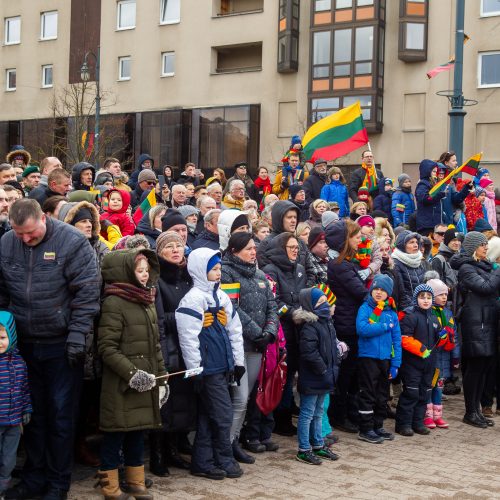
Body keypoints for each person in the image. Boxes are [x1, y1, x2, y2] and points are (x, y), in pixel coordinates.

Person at [0, 199, 99, 500]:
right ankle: (34, 478)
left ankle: (58, 483)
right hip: (23, 345)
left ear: (43, 218)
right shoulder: (7, 242)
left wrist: (77, 336)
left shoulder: (72, 242)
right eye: (20, 234)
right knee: (32, 416)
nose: (26, 239)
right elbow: (3, 290)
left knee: (60, 417)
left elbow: (87, 292)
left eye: (30, 233)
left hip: (60, 343)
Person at [95, 250, 166, 500]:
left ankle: (136, 482)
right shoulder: (114, 302)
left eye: (147, 270)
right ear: (126, 271)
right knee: (115, 434)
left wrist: (162, 376)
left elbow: (155, 344)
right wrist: (132, 373)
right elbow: (106, 347)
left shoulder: (145, 300)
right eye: (139, 271)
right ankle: (110, 485)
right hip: (121, 384)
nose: (145, 276)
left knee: (138, 431)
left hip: (146, 382)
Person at [176, 248, 244, 480]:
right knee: (223, 414)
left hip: (222, 365)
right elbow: (188, 337)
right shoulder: (193, 298)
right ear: (199, 271)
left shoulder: (221, 296)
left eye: (218, 269)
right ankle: (223, 458)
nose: (218, 273)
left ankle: (203, 461)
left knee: (208, 414)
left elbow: (235, 329)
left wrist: (238, 361)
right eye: (213, 269)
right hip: (208, 368)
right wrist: (195, 369)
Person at [221, 232, 278, 463]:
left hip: (257, 346)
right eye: (247, 249)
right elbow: (232, 308)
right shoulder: (226, 272)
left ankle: (233, 441)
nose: (253, 252)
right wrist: (257, 331)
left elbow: (272, 306)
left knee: (246, 398)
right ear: (234, 251)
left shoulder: (260, 275)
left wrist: (270, 331)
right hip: (239, 345)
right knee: (240, 398)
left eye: (254, 248)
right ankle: (225, 444)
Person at [153, 231, 196, 476]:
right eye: (169, 246)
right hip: (167, 346)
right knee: (164, 404)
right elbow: (158, 318)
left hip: (185, 346)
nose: (175, 249)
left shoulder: (187, 277)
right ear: (159, 252)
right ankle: (157, 455)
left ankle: (173, 451)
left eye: (178, 245)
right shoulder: (157, 280)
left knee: (181, 400)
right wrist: (185, 317)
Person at [450, 231, 500, 428]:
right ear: (472, 248)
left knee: (484, 368)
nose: (486, 248)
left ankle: (477, 411)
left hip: (487, 322)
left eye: (486, 245)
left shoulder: (484, 267)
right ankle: (470, 412)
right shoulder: (466, 268)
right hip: (474, 323)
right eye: (482, 245)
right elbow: (486, 287)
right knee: (474, 368)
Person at [262, 232, 307, 435]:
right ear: (282, 248)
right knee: (283, 377)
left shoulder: (299, 269)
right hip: (282, 331)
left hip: (299, 331)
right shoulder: (270, 269)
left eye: (297, 247)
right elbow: (274, 301)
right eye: (291, 247)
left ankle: (287, 415)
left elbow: (303, 294)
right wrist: (292, 313)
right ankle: (280, 419)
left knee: (292, 376)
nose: (295, 251)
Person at [325, 220, 367, 432]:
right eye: (356, 237)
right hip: (346, 322)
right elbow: (360, 291)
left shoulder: (348, 263)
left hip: (351, 320)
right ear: (345, 240)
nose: (360, 240)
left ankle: (351, 412)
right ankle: (339, 415)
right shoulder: (340, 265)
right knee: (346, 372)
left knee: (353, 372)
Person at [293, 288, 340, 464]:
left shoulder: (327, 323)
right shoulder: (309, 327)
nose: (325, 305)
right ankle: (304, 449)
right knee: (307, 413)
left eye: (325, 301)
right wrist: (323, 369)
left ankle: (318, 444)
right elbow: (309, 352)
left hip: (325, 377)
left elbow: (332, 349)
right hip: (314, 377)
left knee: (319, 412)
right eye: (319, 303)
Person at [356, 274, 401, 443]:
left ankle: (378, 425)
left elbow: (397, 340)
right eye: (376, 289)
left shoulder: (391, 313)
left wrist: (395, 363)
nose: (379, 293)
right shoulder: (365, 308)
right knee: (368, 393)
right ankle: (365, 428)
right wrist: (383, 326)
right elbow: (362, 329)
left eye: (383, 290)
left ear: (388, 293)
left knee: (382, 394)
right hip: (368, 357)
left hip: (386, 359)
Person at [395, 284, 444, 437]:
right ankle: (404, 424)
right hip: (412, 363)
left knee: (424, 393)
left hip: (429, 364)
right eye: (422, 297)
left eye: (429, 298)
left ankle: (418, 422)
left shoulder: (434, 316)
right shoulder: (411, 315)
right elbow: (405, 338)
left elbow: (438, 341)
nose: (426, 300)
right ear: (416, 299)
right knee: (411, 393)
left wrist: (444, 336)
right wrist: (421, 349)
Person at [0, 311, 32, 497]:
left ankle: (3, 490)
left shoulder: (19, 363)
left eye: (3, 337)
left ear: (11, 336)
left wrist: (26, 409)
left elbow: (24, 389)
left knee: (9, 460)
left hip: (13, 422)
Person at [424, 278, 457, 430]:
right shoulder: (428, 313)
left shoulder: (449, 313)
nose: (444, 297)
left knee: (439, 386)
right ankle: (427, 416)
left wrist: (455, 355)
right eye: (440, 294)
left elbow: (454, 336)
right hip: (431, 356)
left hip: (444, 357)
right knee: (429, 386)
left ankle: (438, 416)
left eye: (445, 294)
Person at [392, 231, 425, 310]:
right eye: (411, 242)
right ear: (402, 245)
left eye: (416, 242)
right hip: (407, 310)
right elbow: (402, 293)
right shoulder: (396, 264)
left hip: (422, 306)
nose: (416, 245)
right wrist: (413, 309)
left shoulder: (419, 261)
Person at [415, 159, 447, 236]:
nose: (435, 174)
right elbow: (425, 198)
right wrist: (439, 195)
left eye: (436, 172)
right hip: (427, 225)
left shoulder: (432, 184)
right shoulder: (422, 184)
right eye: (434, 172)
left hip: (433, 224)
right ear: (427, 171)